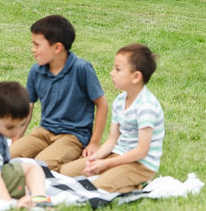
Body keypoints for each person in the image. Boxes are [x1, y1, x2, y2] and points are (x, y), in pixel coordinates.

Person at [60, 44, 164, 192]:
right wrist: (95, 159)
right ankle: (115, 176)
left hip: (140, 165)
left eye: (118, 69)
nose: (111, 73)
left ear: (136, 77)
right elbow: (112, 140)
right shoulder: (119, 101)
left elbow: (141, 151)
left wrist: (106, 164)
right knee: (66, 172)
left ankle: (137, 185)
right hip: (117, 155)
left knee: (98, 187)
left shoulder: (147, 106)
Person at [10, 15, 108, 171]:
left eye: (37, 45)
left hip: (73, 136)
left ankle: (76, 159)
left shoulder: (81, 69)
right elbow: (28, 107)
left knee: (41, 165)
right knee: (8, 156)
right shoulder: (36, 71)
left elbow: (102, 104)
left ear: (57, 48)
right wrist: (17, 139)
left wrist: (94, 143)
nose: (32, 49)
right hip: (44, 132)